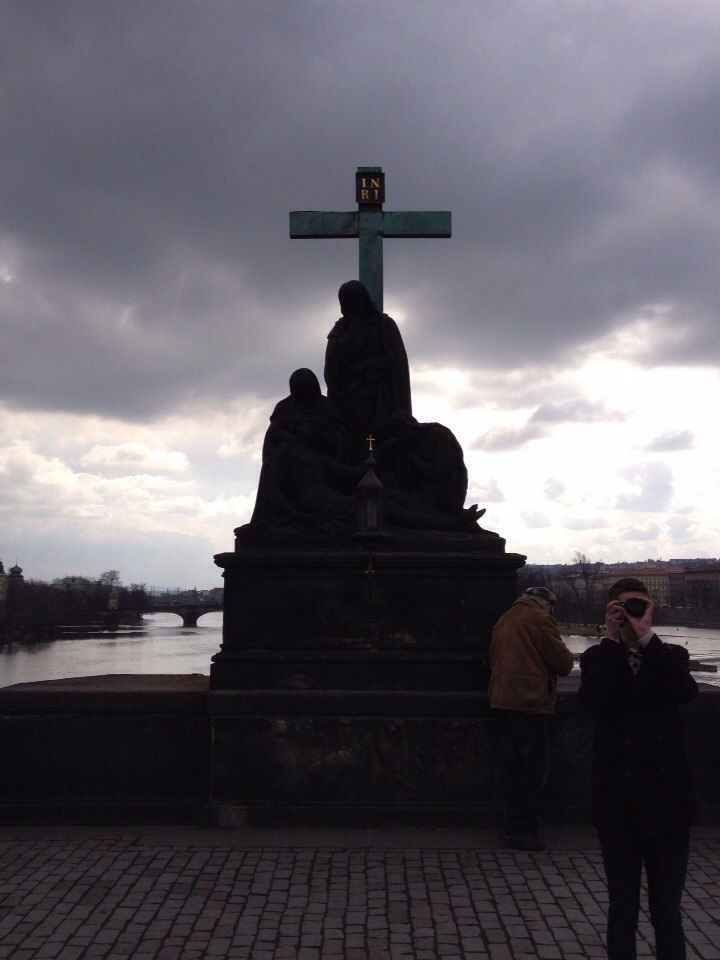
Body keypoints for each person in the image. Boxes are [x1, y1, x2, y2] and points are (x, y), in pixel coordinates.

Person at [578, 577, 698, 960]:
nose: (634, 613)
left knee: (667, 911)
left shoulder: (670, 654)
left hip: (668, 805)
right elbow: (592, 702)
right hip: (619, 805)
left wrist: (646, 637)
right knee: (622, 909)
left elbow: (686, 692)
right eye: (626, 606)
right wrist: (611, 639)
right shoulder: (598, 658)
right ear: (611, 610)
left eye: (641, 606)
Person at [489, 586, 574, 850]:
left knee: (514, 768)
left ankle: (513, 824)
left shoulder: (505, 618)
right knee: (535, 770)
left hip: (502, 700)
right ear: (546, 604)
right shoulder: (539, 618)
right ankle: (521, 828)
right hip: (529, 702)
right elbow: (564, 664)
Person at [324, 280, 411, 458]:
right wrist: (354, 329)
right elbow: (332, 367)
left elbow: (396, 364)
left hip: (380, 395)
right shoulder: (340, 329)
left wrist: (366, 365)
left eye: (355, 300)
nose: (352, 306)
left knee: (381, 440)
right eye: (347, 302)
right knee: (354, 444)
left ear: (364, 300)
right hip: (350, 398)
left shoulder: (384, 325)